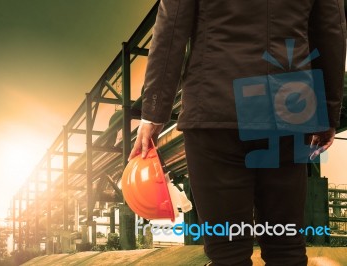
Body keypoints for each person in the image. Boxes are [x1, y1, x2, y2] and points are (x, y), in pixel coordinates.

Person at [129, 0, 346, 265]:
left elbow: (171, 26)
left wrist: (154, 111)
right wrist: (326, 112)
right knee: (285, 244)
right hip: (288, 112)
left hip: (216, 108)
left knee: (227, 250)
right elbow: (331, 32)